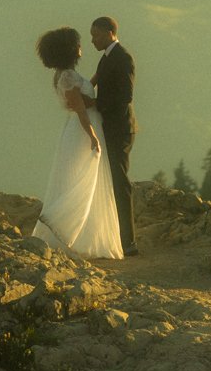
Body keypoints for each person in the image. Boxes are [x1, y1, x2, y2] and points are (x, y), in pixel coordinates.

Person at [29, 26, 123, 259]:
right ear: (70, 50)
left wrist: (96, 79)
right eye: (78, 45)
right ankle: (64, 228)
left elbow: (81, 96)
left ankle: (78, 234)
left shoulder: (64, 75)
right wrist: (92, 137)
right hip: (84, 130)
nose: (82, 47)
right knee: (83, 180)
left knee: (79, 179)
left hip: (80, 129)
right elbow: (81, 108)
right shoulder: (68, 76)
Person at [87, 16, 139, 256]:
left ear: (109, 33)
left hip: (120, 129)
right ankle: (116, 236)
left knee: (120, 182)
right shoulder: (106, 58)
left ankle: (128, 242)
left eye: (95, 35)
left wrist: (96, 104)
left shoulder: (123, 57)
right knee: (111, 182)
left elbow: (126, 96)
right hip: (110, 127)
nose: (92, 40)